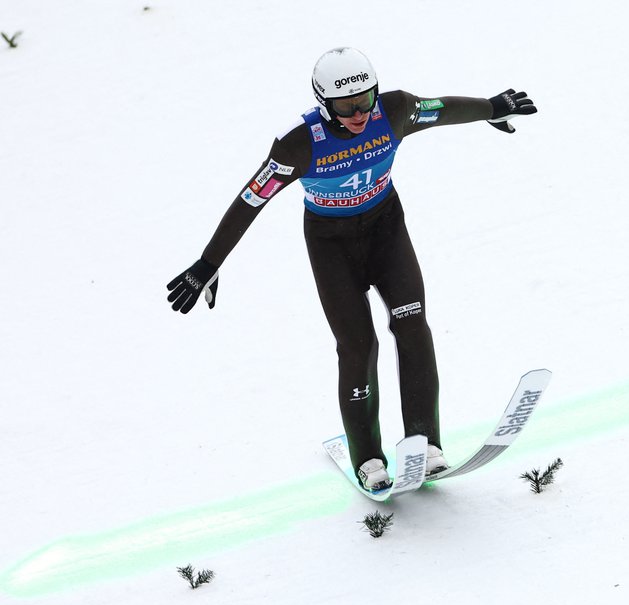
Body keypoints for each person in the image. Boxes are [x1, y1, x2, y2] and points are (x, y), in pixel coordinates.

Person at [166, 47, 537, 491]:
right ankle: (369, 459)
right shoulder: (297, 144)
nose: (360, 113)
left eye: (365, 100)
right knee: (358, 346)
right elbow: (252, 198)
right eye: (346, 106)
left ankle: (427, 444)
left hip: (386, 231)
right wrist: (210, 262)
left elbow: (441, 110)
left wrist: (492, 109)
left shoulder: (394, 110)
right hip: (331, 244)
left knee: (412, 322)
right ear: (324, 103)